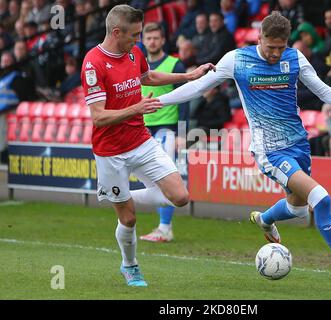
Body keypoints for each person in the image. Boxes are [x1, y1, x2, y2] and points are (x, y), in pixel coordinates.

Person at [157, 12, 331, 289]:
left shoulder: (295, 58)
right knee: (322, 199)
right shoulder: (237, 60)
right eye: (270, 47)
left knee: (298, 210)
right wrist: (158, 101)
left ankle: (265, 220)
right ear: (259, 38)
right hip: (269, 150)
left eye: (281, 47)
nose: (276, 53)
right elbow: (196, 88)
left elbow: (323, 92)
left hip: (298, 144)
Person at [80, 5, 214, 287]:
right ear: (116, 32)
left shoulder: (133, 52)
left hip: (140, 140)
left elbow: (148, 76)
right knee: (128, 220)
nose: (139, 41)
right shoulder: (93, 63)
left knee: (180, 196)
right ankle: (130, 265)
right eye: (135, 35)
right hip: (110, 151)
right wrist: (136, 108)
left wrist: (188, 76)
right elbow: (99, 117)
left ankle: (121, 198)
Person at [139, 22, 190, 243]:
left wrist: (181, 132)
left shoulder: (174, 64)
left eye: (156, 38)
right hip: (142, 128)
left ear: (162, 40)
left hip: (167, 129)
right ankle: (161, 227)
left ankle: (165, 227)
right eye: (148, 38)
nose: (152, 41)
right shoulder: (137, 65)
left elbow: (185, 97)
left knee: (165, 177)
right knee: (151, 179)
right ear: (143, 40)